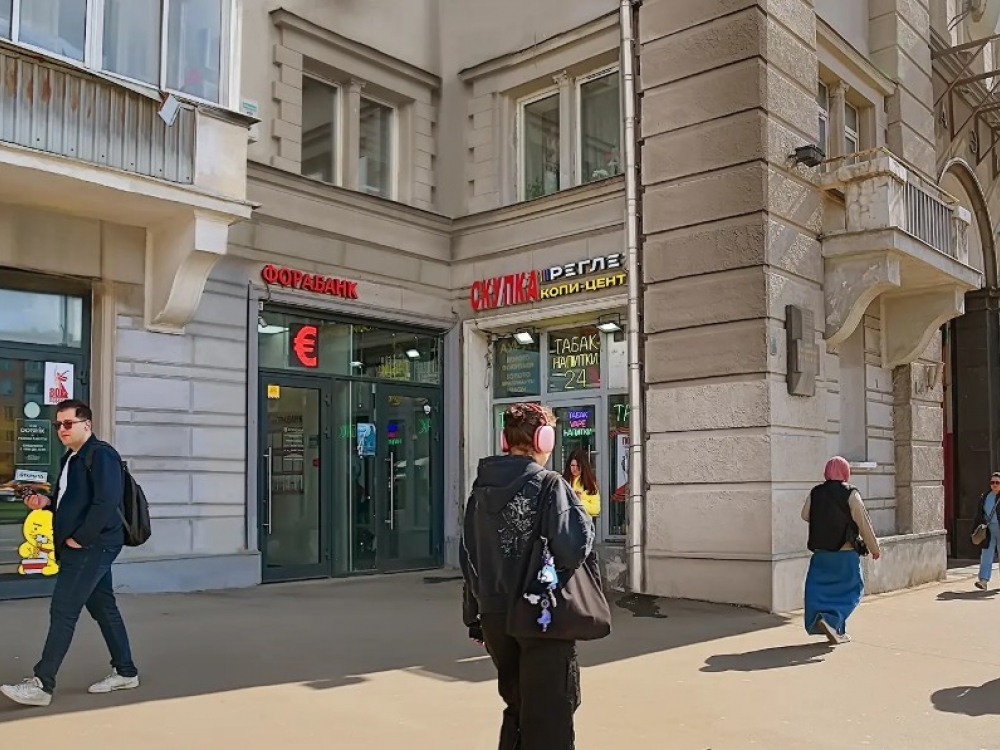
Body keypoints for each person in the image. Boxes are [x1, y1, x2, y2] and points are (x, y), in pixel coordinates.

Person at [461, 402, 595, 750]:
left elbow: (470, 556)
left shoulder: (480, 490)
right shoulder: (550, 485)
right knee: (551, 714)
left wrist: (475, 617)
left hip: (495, 617)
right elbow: (573, 549)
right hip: (541, 615)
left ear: (505, 441)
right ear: (543, 439)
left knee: (517, 706)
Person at [1, 399, 139, 707]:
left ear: (86, 424)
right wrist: (46, 502)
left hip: (92, 546)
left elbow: (106, 501)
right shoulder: (71, 458)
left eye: (68, 424)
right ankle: (126, 671)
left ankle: (42, 684)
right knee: (104, 608)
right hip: (86, 545)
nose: (61, 429)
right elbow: (71, 500)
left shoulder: (100, 454)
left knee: (63, 610)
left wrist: (80, 539)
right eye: (58, 425)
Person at [801, 456, 881, 645]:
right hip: (845, 552)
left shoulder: (815, 492)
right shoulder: (850, 493)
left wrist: (824, 519)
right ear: (845, 472)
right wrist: (874, 547)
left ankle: (835, 629)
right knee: (852, 589)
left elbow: (805, 515)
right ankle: (831, 621)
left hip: (821, 553)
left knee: (820, 591)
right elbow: (863, 522)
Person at [972, 472, 1000, 590]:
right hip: (988, 530)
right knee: (986, 554)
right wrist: (975, 528)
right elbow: (979, 514)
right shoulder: (985, 496)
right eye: (992, 482)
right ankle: (983, 580)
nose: (994, 485)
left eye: (997, 482)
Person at [563, 449, 601, 518]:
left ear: (583, 466)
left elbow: (596, 509)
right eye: (572, 465)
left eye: (578, 466)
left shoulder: (589, 483)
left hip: (583, 522)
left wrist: (580, 501)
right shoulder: (563, 481)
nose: (575, 468)